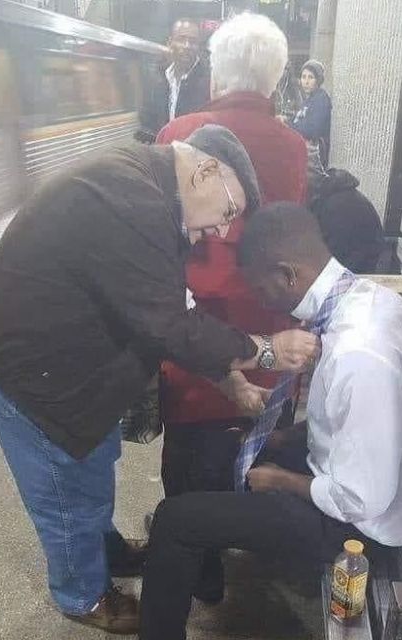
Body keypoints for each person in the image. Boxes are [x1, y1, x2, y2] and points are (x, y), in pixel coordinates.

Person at [0, 127, 318, 635]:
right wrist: (264, 349)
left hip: (75, 360)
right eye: (227, 213)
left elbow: (172, 308)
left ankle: (103, 546)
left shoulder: (150, 191)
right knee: (64, 485)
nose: (222, 232)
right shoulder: (130, 200)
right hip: (32, 370)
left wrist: (231, 382)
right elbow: (169, 325)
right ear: (205, 171)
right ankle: (81, 595)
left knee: (95, 460)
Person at [139, 203, 402, 640]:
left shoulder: (358, 357)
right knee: (214, 449)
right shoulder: (368, 299)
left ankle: (174, 584)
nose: (259, 301)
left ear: (287, 275)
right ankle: (200, 572)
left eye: (259, 288)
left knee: (173, 519)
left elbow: (360, 499)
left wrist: (281, 480)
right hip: (357, 475)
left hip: (363, 528)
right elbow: (348, 421)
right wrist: (284, 436)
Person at [155, 12, 308, 600]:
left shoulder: (179, 130)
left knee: (190, 451)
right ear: (274, 79)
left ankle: (201, 567)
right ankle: (248, 544)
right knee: (253, 442)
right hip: (270, 335)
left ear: (217, 72)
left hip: (197, 328)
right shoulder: (293, 145)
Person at [137, 19, 211, 141]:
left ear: (199, 46)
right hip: (161, 154)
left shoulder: (207, 81)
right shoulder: (157, 79)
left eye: (193, 41)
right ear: (170, 42)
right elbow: (147, 122)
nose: (187, 46)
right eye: (181, 39)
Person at [311, 175, 385, 273]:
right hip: (367, 256)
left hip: (356, 263)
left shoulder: (335, 206)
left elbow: (336, 250)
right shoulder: (345, 196)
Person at [291, 59, 332, 166]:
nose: (306, 81)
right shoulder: (307, 100)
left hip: (315, 161)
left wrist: (289, 126)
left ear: (318, 80)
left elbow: (313, 129)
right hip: (305, 157)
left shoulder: (321, 99)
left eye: (311, 77)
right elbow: (299, 121)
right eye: (303, 77)